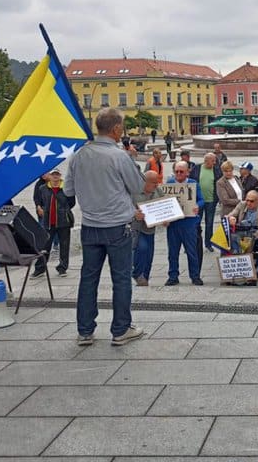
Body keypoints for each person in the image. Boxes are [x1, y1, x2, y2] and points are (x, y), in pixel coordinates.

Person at [63, 107, 146, 346]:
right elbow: (138, 187)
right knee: (120, 279)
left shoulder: (79, 155)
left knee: (88, 278)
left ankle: (85, 330)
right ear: (117, 129)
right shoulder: (119, 156)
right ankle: (120, 330)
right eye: (123, 127)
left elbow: (68, 191)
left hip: (90, 225)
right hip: (117, 225)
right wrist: (132, 159)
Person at [165, 161, 204, 286]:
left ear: (187, 172)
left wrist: (198, 205)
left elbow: (201, 199)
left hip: (189, 222)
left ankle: (195, 276)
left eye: (181, 171)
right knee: (173, 252)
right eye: (176, 171)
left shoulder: (193, 183)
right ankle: (173, 276)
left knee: (192, 251)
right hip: (174, 223)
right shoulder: (170, 183)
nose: (179, 174)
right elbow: (163, 201)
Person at [34, 169, 75, 277]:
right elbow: (39, 200)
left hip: (63, 221)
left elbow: (72, 202)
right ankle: (40, 268)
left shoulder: (66, 188)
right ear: (50, 176)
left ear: (60, 176)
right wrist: (41, 208)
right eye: (53, 174)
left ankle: (62, 268)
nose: (55, 176)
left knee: (64, 245)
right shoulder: (43, 188)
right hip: (48, 221)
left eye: (57, 174)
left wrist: (63, 211)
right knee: (44, 245)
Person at [131, 170, 164, 286]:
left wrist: (166, 218)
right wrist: (134, 214)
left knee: (149, 254)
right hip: (136, 228)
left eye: (157, 182)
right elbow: (125, 207)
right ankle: (137, 273)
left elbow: (165, 204)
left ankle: (145, 276)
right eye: (154, 182)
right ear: (145, 182)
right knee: (142, 248)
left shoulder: (157, 191)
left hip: (150, 228)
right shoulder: (134, 192)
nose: (156, 185)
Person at [191, 153, 222, 253]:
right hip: (198, 201)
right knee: (196, 223)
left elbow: (219, 184)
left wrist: (218, 198)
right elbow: (191, 182)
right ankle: (194, 242)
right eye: (213, 161)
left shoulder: (216, 170)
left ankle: (208, 244)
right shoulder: (197, 168)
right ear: (206, 160)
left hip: (211, 201)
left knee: (210, 223)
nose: (214, 163)